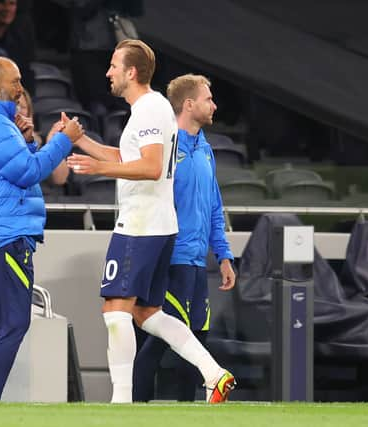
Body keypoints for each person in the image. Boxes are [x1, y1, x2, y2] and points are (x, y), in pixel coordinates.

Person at [66, 39, 235, 404]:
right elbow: (128, 156)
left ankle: (122, 401)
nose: (108, 72)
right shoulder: (152, 108)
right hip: (157, 223)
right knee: (146, 313)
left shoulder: (148, 110)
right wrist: (82, 143)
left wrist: (100, 169)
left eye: (114, 65)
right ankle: (214, 373)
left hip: (141, 223)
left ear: (131, 72)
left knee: (115, 310)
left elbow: (151, 167)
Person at [0, 56, 83, 401]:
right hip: (6, 235)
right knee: (13, 323)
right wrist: (64, 141)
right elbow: (27, 173)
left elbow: (13, 170)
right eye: (15, 80)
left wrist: (32, 142)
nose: (21, 88)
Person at [133, 74, 237, 402]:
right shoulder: (165, 149)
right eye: (208, 99)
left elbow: (214, 207)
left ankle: (189, 411)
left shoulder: (206, 150)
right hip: (171, 260)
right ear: (189, 104)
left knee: (198, 338)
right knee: (162, 338)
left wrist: (223, 255)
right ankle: (133, 407)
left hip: (196, 263)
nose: (214, 105)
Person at [0, 0, 34, 93]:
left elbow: (26, 75)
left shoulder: (21, 38)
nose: (7, 9)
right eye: (1, 3)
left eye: (12, 3)